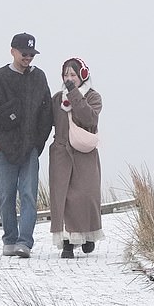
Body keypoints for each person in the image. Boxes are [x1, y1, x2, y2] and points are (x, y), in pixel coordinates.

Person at [0, 33, 52, 258]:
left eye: (31, 54)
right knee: (6, 196)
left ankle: (25, 242)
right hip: (4, 149)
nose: (28, 57)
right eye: (24, 53)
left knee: (29, 194)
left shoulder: (39, 77)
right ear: (12, 51)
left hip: (29, 148)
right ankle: (9, 240)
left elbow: (46, 112)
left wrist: (38, 143)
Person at [49, 57, 104, 258]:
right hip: (61, 153)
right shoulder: (57, 99)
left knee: (85, 196)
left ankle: (88, 235)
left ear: (82, 75)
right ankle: (67, 244)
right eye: (66, 75)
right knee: (63, 198)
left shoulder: (93, 97)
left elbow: (88, 118)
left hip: (84, 154)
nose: (69, 78)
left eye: (73, 74)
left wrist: (73, 93)